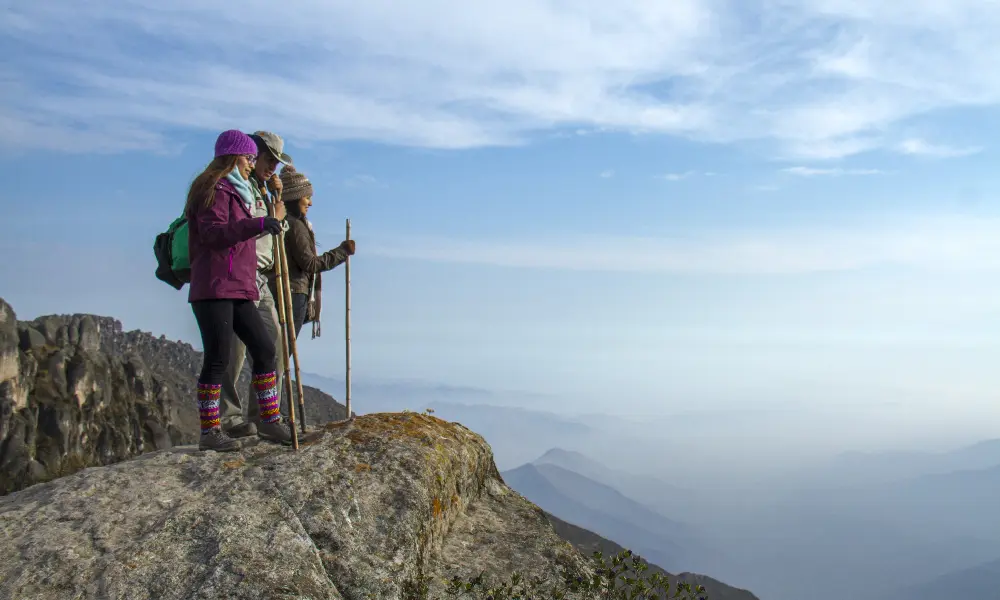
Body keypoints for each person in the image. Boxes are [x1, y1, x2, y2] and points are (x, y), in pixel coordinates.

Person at [185, 129, 293, 451]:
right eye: (248, 158)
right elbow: (215, 234)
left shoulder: (242, 190)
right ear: (234, 156)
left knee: (265, 347)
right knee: (218, 359)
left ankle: (268, 419)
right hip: (215, 287)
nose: (251, 163)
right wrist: (259, 224)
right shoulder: (212, 189)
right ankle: (210, 432)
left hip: (238, 286)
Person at [218, 131, 293, 440]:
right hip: (237, 273)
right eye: (269, 160)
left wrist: (278, 205)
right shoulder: (235, 188)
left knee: (274, 343)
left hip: (260, 276)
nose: (272, 168)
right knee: (233, 351)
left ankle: (264, 413)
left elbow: (275, 232)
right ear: (252, 154)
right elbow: (237, 231)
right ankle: (229, 418)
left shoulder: (261, 188)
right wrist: (272, 216)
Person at [276, 164, 355, 338]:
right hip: (294, 292)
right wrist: (342, 251)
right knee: (285, 347)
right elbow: (310, 263)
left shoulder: (292, 223)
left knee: (282, 347)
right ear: (296, 198)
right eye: (306, 197)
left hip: (292, 290)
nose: (310, 203)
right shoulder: (295, 226)